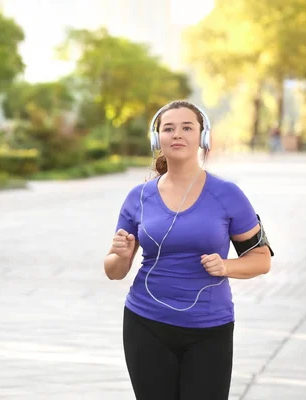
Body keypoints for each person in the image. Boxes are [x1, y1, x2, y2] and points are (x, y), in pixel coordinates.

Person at [104, 100, 274, 400]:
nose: (177, 134)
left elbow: (261, 260)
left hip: (209, 329)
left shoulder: (228, 194)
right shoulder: (138, 197)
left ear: (202, 137)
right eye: (168, 129)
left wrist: (226, 266)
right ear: (158, 139)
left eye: (187, 127)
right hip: (146, 323)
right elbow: (115, 272)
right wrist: (119, 253)